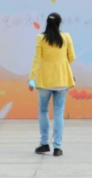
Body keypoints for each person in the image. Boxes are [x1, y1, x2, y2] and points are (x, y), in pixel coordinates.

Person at [28, 13, 75, 157]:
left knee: (43, 111)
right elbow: (72, 57)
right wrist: (62, 65)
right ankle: (57, 147)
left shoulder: (40, 38)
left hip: (45, 81)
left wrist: (31, 78)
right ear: (60, 23)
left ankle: (44, 144)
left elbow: (37, 59)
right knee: (58, 112)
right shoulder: (66, 36)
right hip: (62, 80)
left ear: (47, 23)